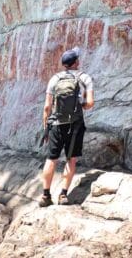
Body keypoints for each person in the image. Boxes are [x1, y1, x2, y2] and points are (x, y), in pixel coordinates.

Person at [39, 48, 94, 206]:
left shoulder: (55, 79)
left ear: (64, 64)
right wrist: (80, 104)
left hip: (56, 124)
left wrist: (46, 128)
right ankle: (63, 194)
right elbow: (89, 103)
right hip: (75, 125)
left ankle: (45, 195)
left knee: (51, 159)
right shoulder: (84, 78)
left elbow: (47, 107)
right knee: (71, 159)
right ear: (76, 62)